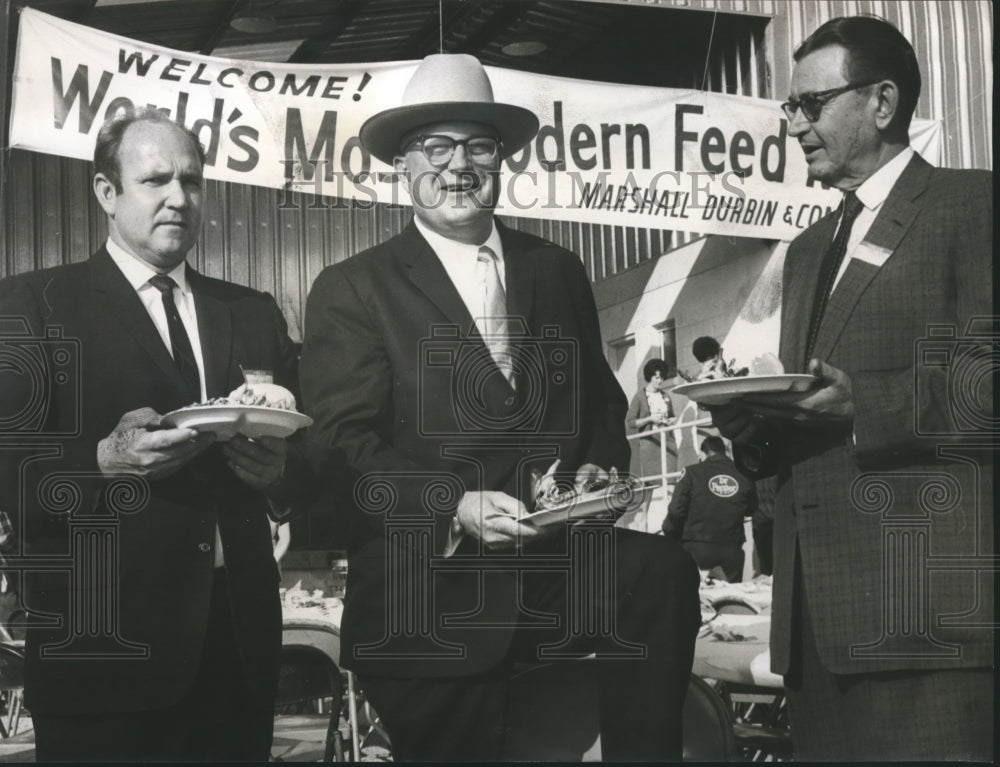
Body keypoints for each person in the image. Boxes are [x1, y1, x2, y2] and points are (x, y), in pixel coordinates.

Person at [300, 53, 700, 762]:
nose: (460, 165)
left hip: (555, 567)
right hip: (431, 590)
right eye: (437, 147)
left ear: (502, 160)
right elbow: (342, 447)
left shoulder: (557, 269)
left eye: (478, 146)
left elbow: (605, 410)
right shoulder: (353, 288)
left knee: (658, 573)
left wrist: (597, 479)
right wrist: (454, 504)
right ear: (402, 164)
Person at [710, 16, 993, 761]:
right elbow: (815, 407)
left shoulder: (973, 207)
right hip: (818, 635)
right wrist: (754, 426)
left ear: (882, 102)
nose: (795, 125)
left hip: (925, 622)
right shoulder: (807, 251)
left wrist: (864, 404)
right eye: (789, 109)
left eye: (811, 104)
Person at [0, 108, 312, 761]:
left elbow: (315, 453)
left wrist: (279, 474)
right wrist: (99, 461)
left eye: (193, 181)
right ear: (107, 194)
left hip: (235, 654)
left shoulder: (250, 311)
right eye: (157, 180)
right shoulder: (32, 306)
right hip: (102, 661)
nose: (179, 197)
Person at [663, 436, 756, 583]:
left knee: (692, 598)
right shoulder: (743, 474)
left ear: (703, 454)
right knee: (728, 600)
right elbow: (751, 509)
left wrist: (670, 534)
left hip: (696, 546)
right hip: (731, 548)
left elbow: (676, 510)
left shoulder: (691, 473)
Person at [625, 358, 677, 479]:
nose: (660, 381)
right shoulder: (639, 397)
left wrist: (671, 421)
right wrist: (649, 419)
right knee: (654, 482)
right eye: (657, 377)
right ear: (650, 377)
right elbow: (631, 422)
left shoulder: (665, 395)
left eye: (662, 377)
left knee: (671, 479)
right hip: (650, 445)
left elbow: (672, 416)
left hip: (668, 442)